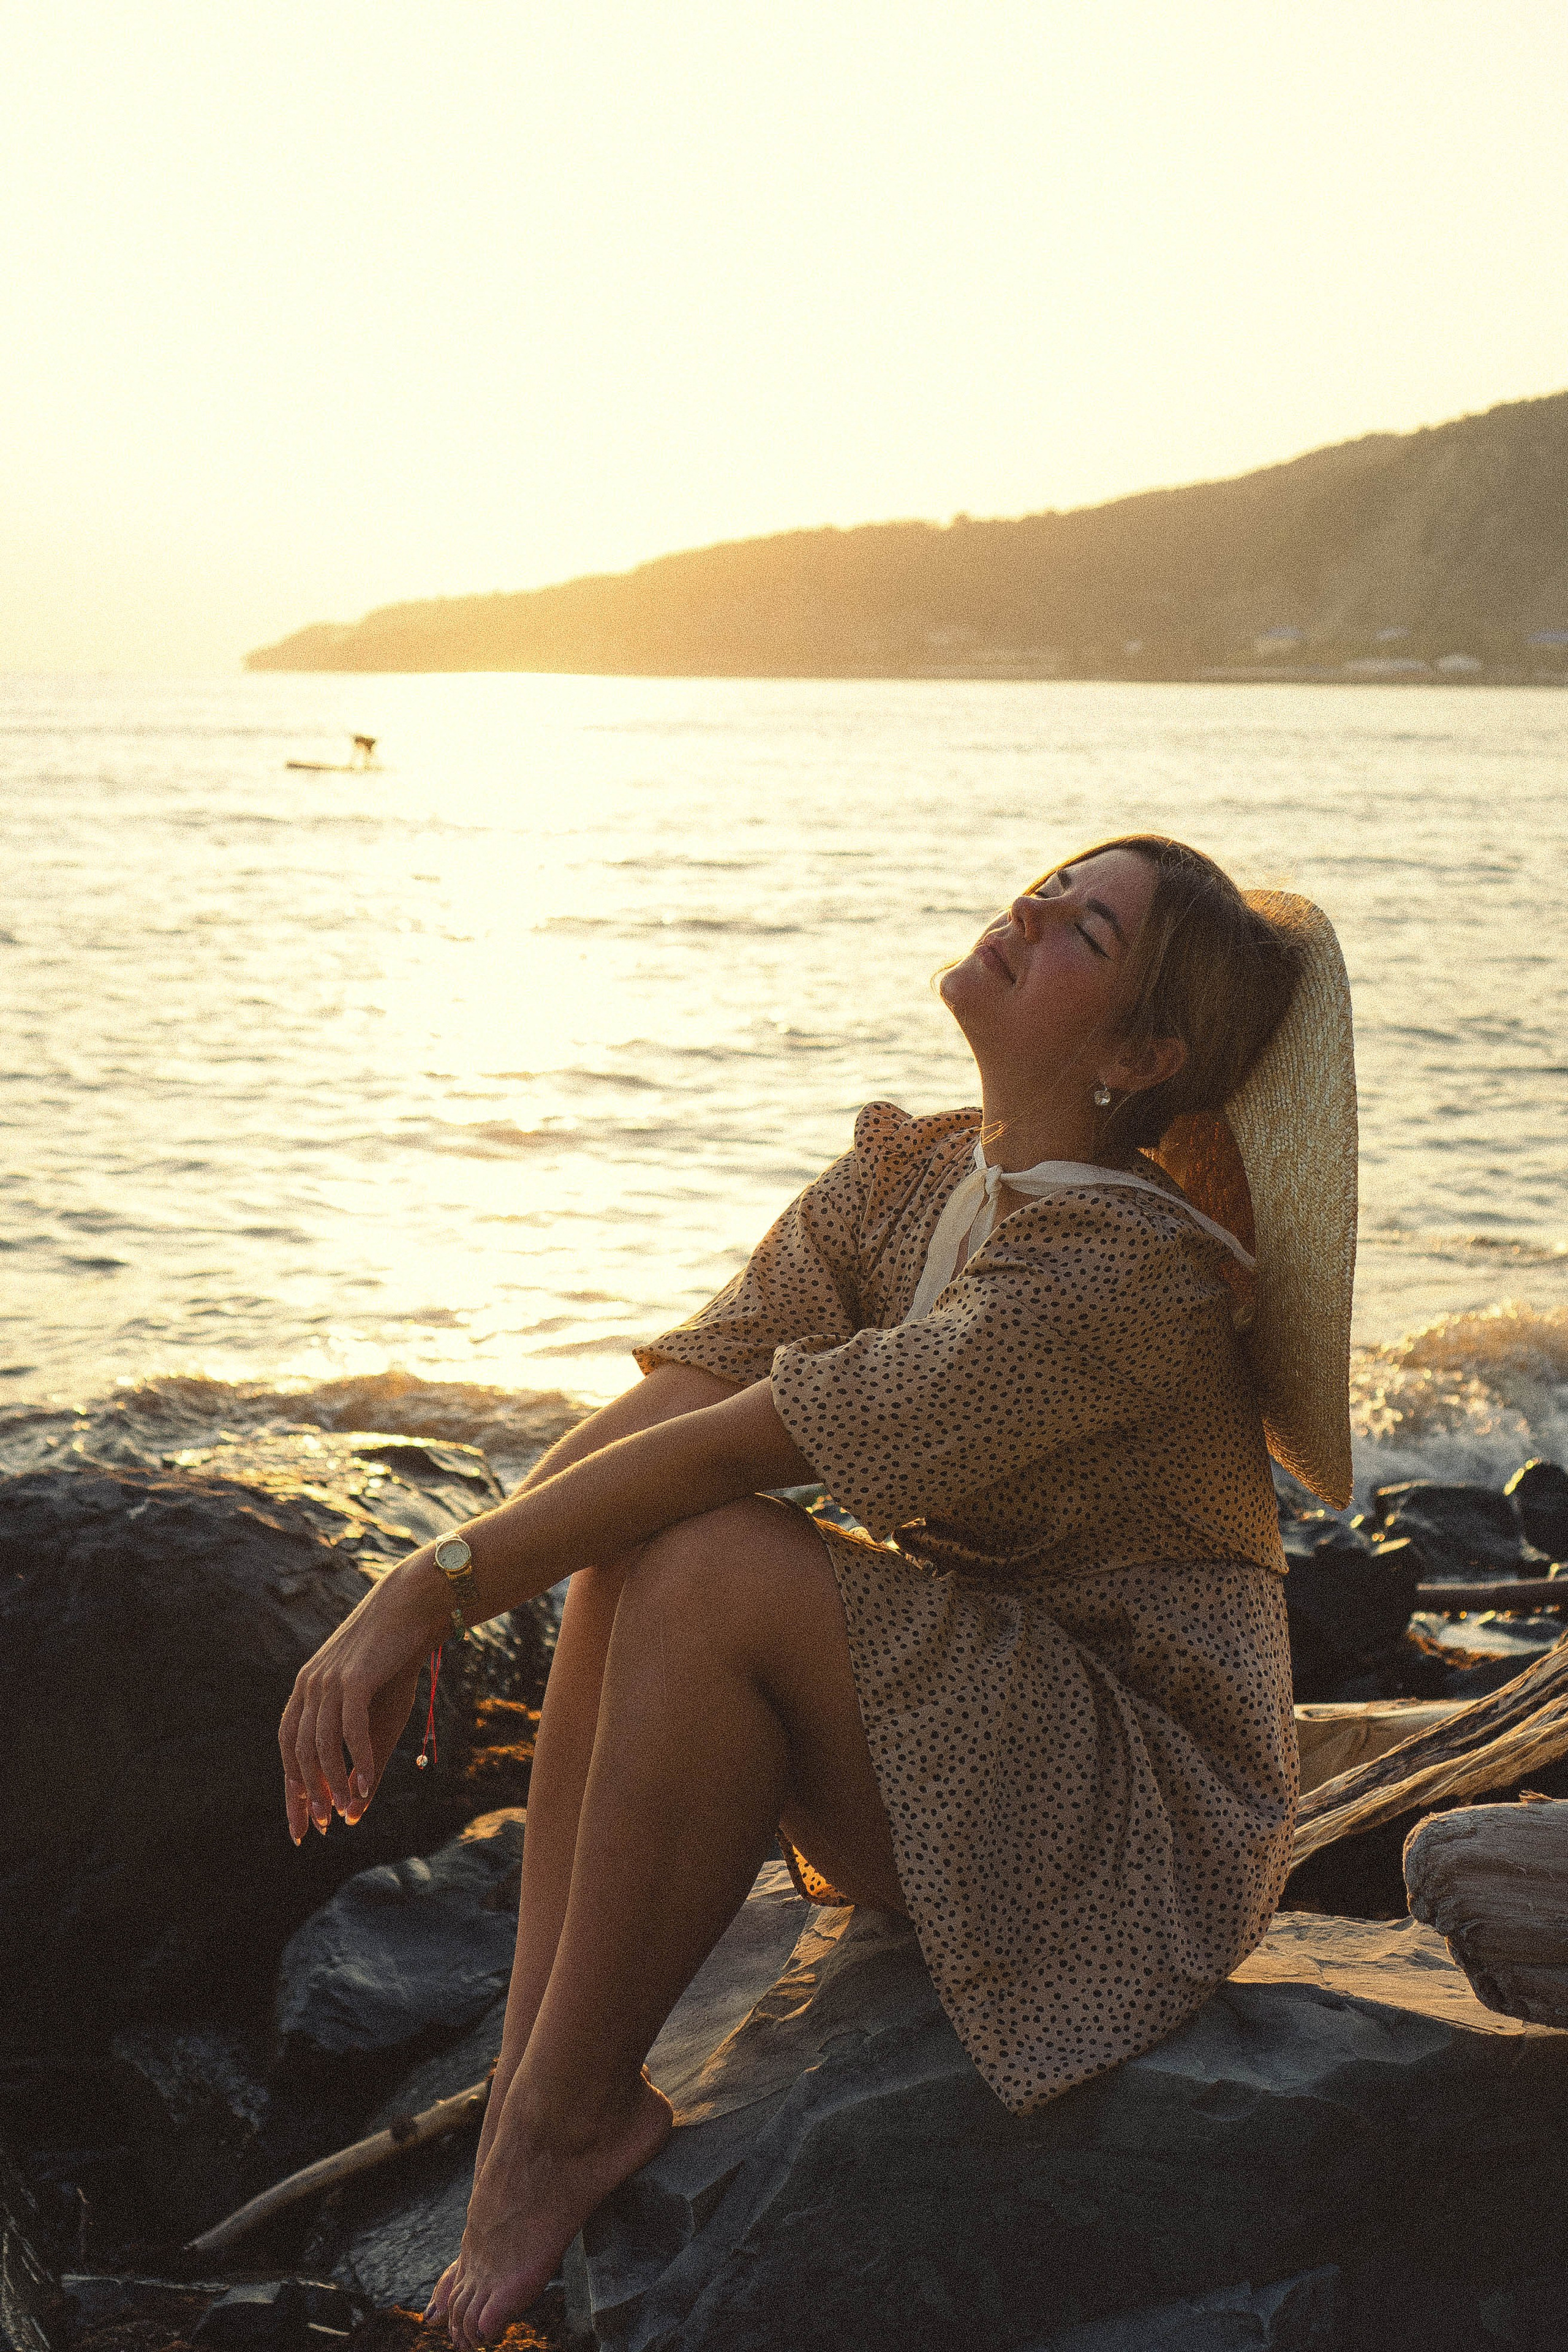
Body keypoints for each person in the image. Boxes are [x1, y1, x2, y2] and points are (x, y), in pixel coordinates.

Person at [279, 834, 1357, 2348]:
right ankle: (536, 2112)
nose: (1031, 905)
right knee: (630, 1545)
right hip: (975, 1734)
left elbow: (751, 1445)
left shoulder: (1122, 1273)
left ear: (1139, 1052)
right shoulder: (908, 1178)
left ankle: (563, 2121)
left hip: (1142, 1812)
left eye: (1085, 929)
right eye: (1050, 879)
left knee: (710, 1556)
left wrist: (425, 1589)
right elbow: (676, 1405)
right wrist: (447, 1580)